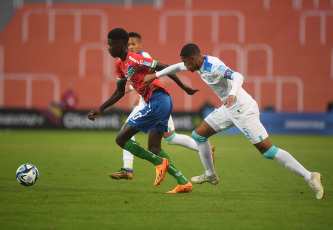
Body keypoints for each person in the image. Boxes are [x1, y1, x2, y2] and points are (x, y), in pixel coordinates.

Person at [144, 43, 324, 199]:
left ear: (192, 58)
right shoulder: (198, 64)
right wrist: (155, 75)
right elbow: (175, 67)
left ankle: (310, 176)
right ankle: (210, 174)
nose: (184, 65)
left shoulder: (213, 66)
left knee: (267, 151)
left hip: (243, 108)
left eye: (185, 61)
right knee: (198, 135)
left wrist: (232, 93)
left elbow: (238, 76)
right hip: (228, 108)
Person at [88, 28, 199, 193]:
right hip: (158, 103)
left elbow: (166, 67)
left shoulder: (136, 59)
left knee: (121, 139)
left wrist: (184, 87)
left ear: (119, 44)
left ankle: (157, 163)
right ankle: (183, 182)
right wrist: (101, 109)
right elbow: (119, 92)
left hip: (158, 101)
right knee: (154, 147)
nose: (108, 48)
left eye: (110, 45)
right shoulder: (120, 65)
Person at [110, 32, 215, 181]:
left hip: (153, 102)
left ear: (140, 44)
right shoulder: (126, 60)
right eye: (129, 44)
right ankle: (202, 153)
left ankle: (128, 168)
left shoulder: (142, 56)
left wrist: (135, 91)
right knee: (170, 137)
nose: (131, 46)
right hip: (154, 101)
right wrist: (136, 91)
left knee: (125, 133)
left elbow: (153, 75)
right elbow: (140, 79)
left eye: (133, 44)